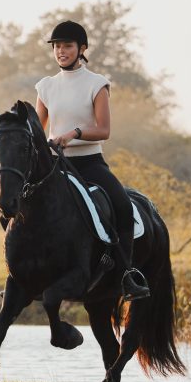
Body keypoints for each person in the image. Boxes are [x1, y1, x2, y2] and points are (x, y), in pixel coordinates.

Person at [34, 20, 149, 300]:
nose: (61, 51)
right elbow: (38, 130)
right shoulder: (46, 86)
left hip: (89, 163)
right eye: (57, 47)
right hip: (56, 166)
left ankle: (126, 274)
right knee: (22, 205)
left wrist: (72, 134)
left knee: (122, 205)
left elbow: (104, 130)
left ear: (82, 48)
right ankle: (22, 274)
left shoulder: (97, 84)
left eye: (67, 46)